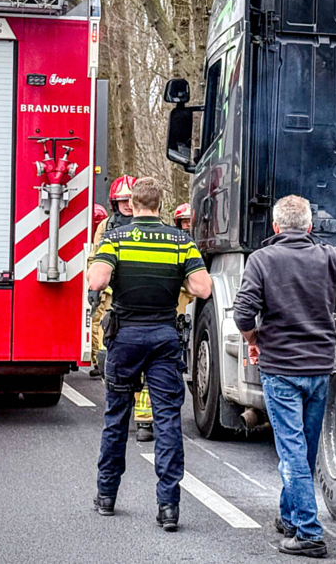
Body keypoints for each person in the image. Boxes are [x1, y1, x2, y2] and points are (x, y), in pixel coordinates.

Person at [233, 195, 336, 558]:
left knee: (292, 451)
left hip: (281, 371)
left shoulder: (262, 260)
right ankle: (290, 517)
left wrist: (253, 340)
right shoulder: (330, 257)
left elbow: (243, 313)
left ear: (275, 227)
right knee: (303, 450)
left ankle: (308, 532)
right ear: (309, 227)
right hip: (319, 370)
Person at [88, 177, 212, 532]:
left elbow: (96, 281)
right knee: (167, 420)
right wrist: (178, 278)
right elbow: (203, 288)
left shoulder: (116, 238)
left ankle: (107, 496)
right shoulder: (180, 241)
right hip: (163, 337)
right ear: (160, 204)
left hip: (125, 336)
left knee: (116, 418)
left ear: (133, 204)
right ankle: (168, 507)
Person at [88, 177, 136, 379]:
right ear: (115, 203)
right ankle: (104, 367)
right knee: (103, 328)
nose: (128, 205)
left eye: (131, 200)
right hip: (109, 294)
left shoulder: (149, 225)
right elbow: (95, 257)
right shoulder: (106, 226)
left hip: (138, 292)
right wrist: (94, 287)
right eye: (123, 201)